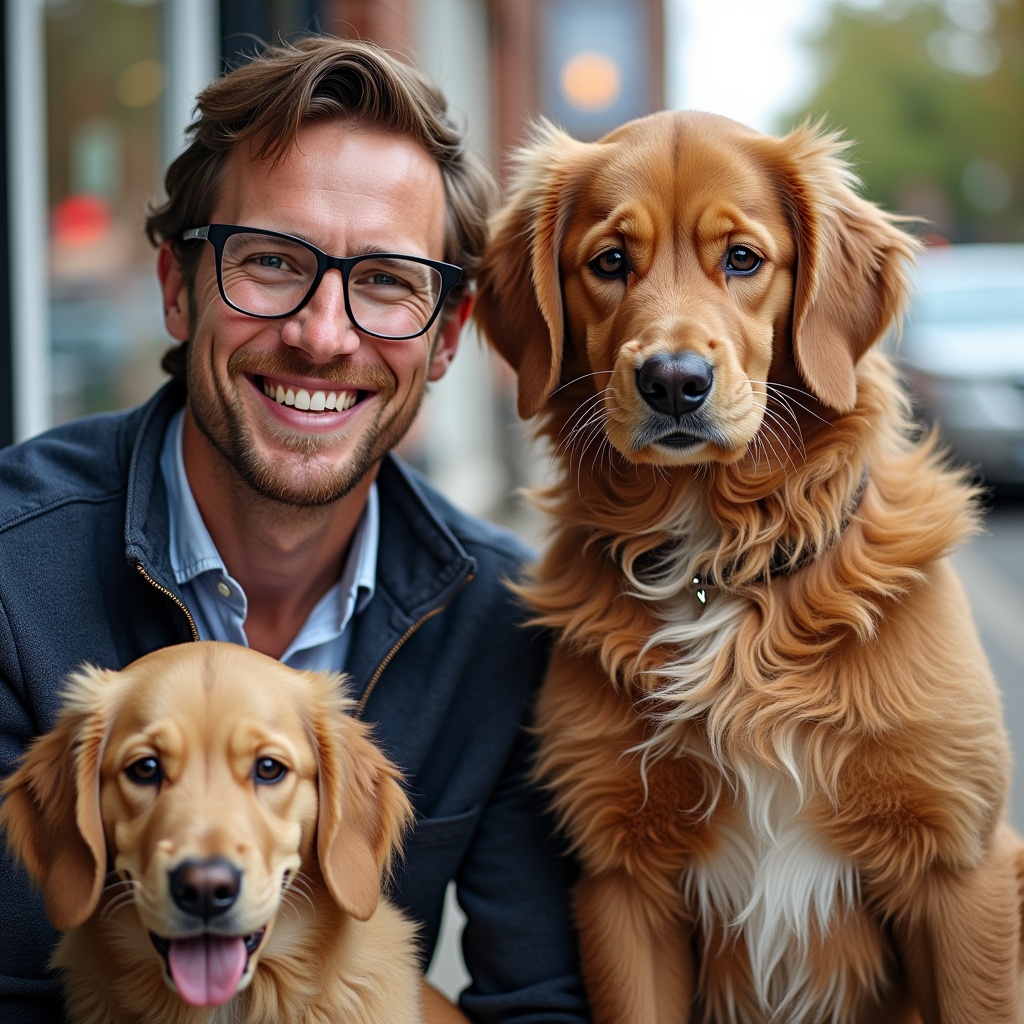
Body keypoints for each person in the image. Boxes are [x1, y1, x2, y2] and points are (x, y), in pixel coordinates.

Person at [0, 36, 589, 1024]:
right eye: (272, 262)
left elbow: (538, 1005)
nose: (323, 334)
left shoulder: (509, 625)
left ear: (446, 336)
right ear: (177, 288)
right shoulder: (15, 573)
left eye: (387, 282)